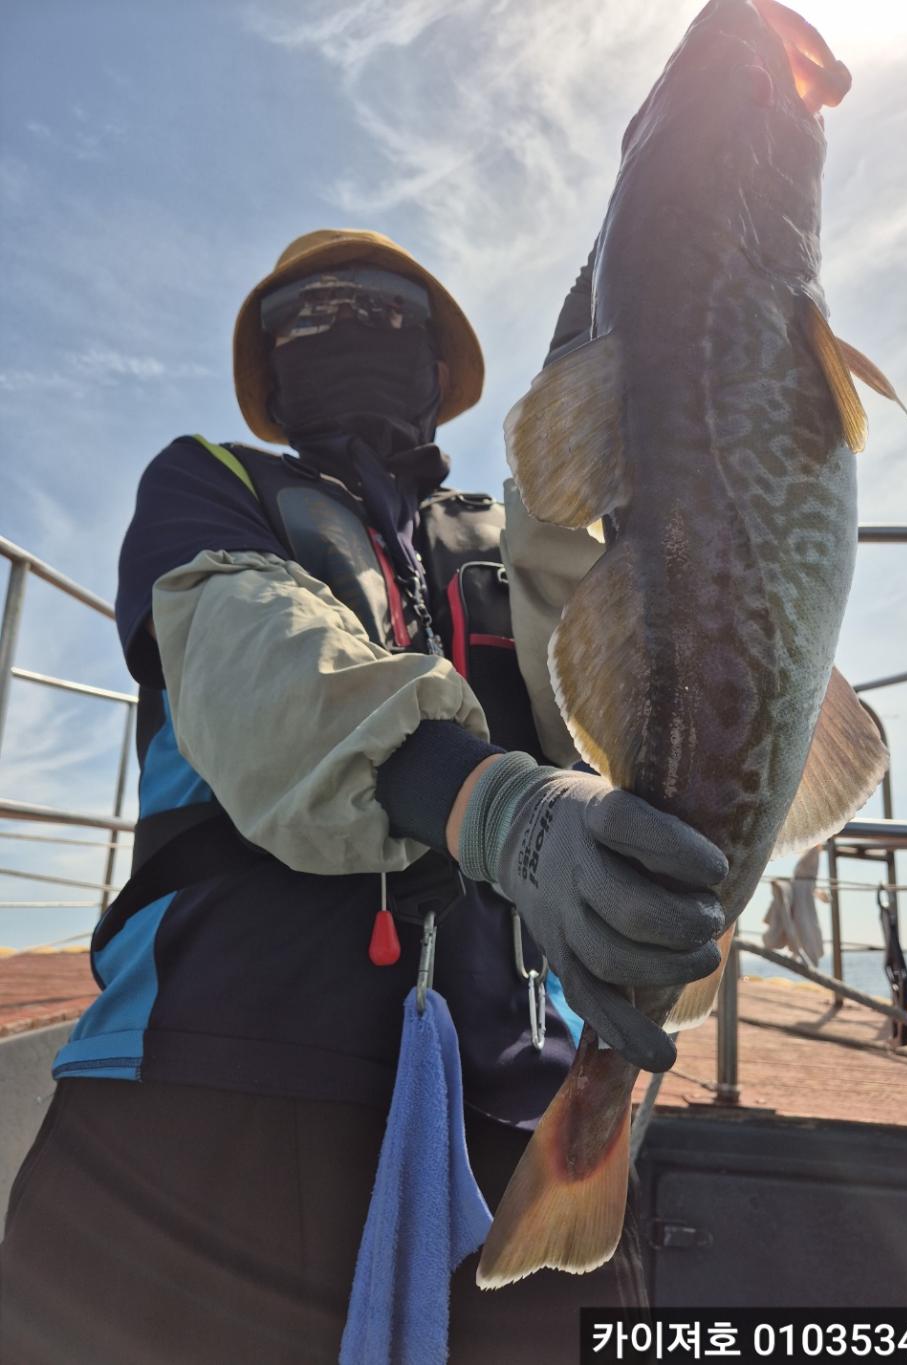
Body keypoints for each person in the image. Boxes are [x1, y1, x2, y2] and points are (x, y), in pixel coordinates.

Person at [0, 229, 727, 1364]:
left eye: (383, 312)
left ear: (440, 371)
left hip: (515, 1103)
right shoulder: (208, 484)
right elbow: (255, 650)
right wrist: (490, 805)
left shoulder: (518, 543)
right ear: (271, 383)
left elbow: (628, 688)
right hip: (204, 1060)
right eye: (306, 320)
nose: (344, 332)